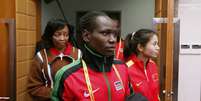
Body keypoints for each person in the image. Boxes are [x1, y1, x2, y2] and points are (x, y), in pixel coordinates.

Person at [52, 11, 130, 101]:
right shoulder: (68, 75)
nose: (113, 40)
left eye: (115, 34)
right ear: (86, 36)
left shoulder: (122, 67)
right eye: (105, 33)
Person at [27, 19, 80, 101]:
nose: (62, 38)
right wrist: (58, 93)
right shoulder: (41, 56)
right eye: (57, 35)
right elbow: (33, 87)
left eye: (66, 35)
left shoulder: (78, 54)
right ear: (50, 35)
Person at [123, 29, 160, 101]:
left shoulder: (153, 65)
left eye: (157, 44)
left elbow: (156, 94)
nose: (158, 47)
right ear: (140, 47)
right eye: (154, 44)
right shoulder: (127, 69)